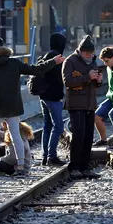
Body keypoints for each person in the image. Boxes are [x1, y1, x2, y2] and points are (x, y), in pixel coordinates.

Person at [0, 36, 58, 177]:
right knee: (16, 136)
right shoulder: (14, 63)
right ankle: (21, 167)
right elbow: (36, 69)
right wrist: (53, 62)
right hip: (13, 107)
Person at [62, 36, 102, 180]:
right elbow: (67, 81)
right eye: (87, 53)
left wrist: (98, 81)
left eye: (91, 53)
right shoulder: (70, 61)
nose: (89, 55)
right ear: (80, 51)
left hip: (90, 104)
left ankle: (85, 167)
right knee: (78, 136)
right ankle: (74, 167)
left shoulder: (93, 61)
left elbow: (93, 84)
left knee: (88, 136)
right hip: (76, 104)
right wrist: (87, 77)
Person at [38, 33, 67, 166]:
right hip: (53, 97)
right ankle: (52, 156)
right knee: (58, 126)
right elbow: (57, 79)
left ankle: (45, 156)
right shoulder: (56, 58)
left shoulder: (46, 55)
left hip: (43, 96)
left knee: (47, 125)